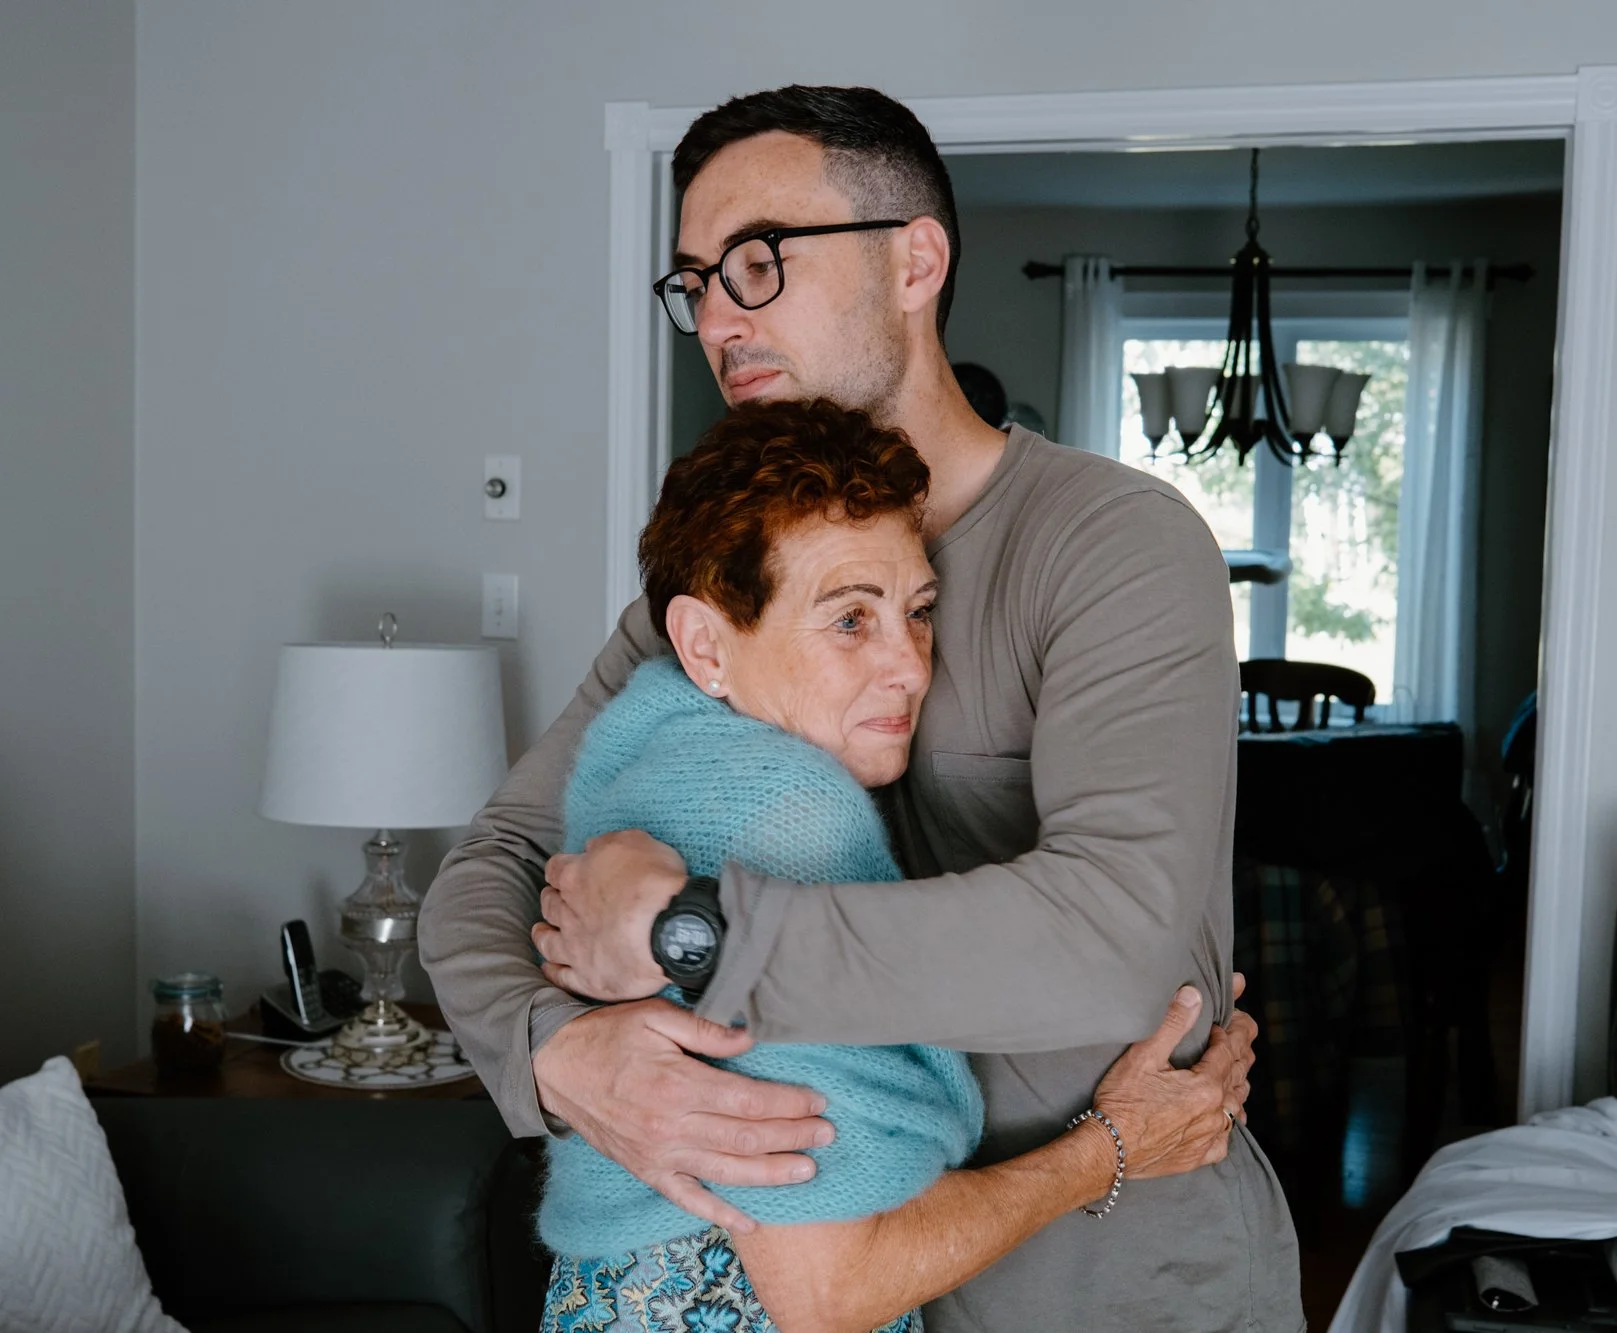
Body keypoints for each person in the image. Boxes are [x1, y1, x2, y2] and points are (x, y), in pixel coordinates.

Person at [420, 84, 1303, 1329]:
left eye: (756, 264)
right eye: (694, 284)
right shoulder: (709, 592)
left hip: (1108, 1267)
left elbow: (1115, 940)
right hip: (848, 1264)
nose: (717, 318)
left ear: (914, 260)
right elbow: (494, 864)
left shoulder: (1112, 544)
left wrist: (703, 940)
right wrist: (556, 1054)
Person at [540, 397, 1245, 1333]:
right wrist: (1114, 1144)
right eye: (849, 621)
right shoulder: (779, 816)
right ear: (706, 645)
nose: (911, 667)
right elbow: (834, 1289)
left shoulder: (657, 761)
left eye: (916, 611)